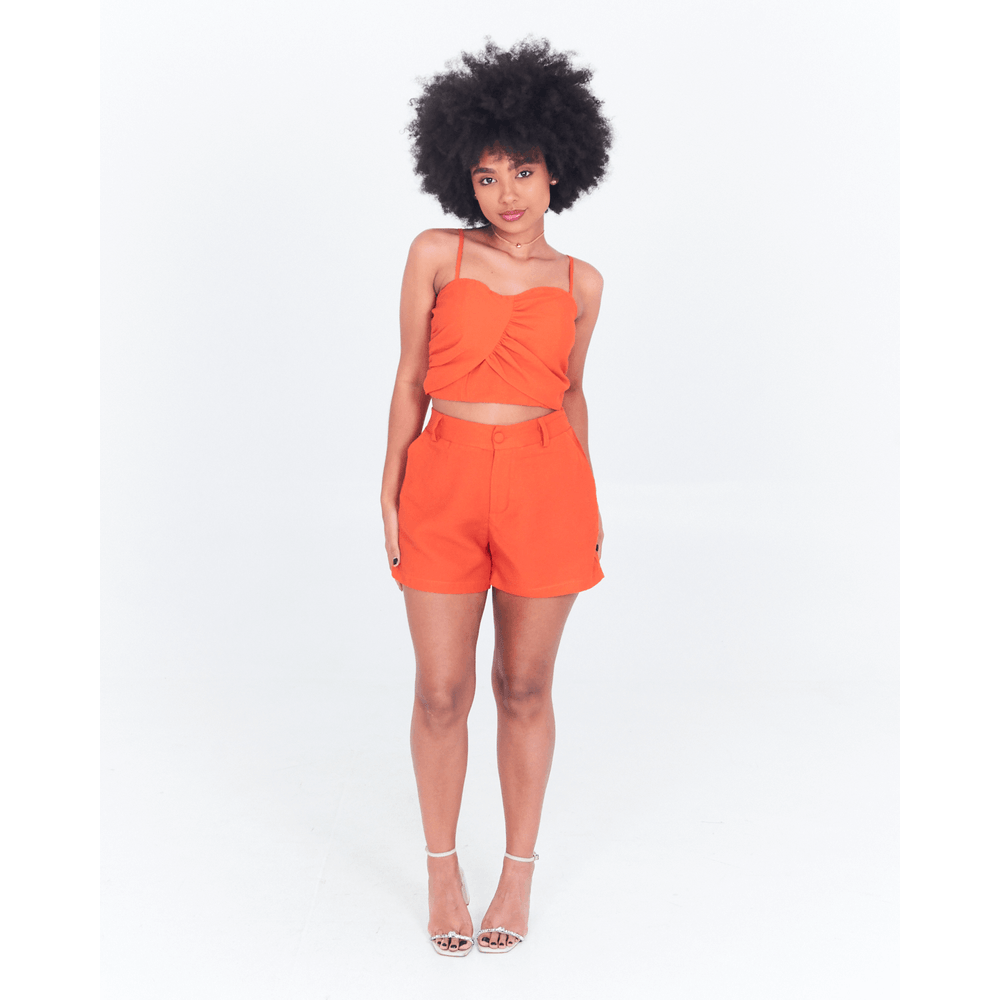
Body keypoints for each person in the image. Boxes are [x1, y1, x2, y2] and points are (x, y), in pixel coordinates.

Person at [380, 38, 613, 957]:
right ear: (461, 177)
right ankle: (443, 868)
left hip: (547, 483)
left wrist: (587, 499)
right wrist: (390, 487)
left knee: (524, 684)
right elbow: (409, 378)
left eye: (522, 170)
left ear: (558, 168)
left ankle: (518, 870)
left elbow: (571, 391)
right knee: (442, 691)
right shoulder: (436, 253)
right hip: (442, 477)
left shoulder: (582, 282)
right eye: (485, 175)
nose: (506, 193)